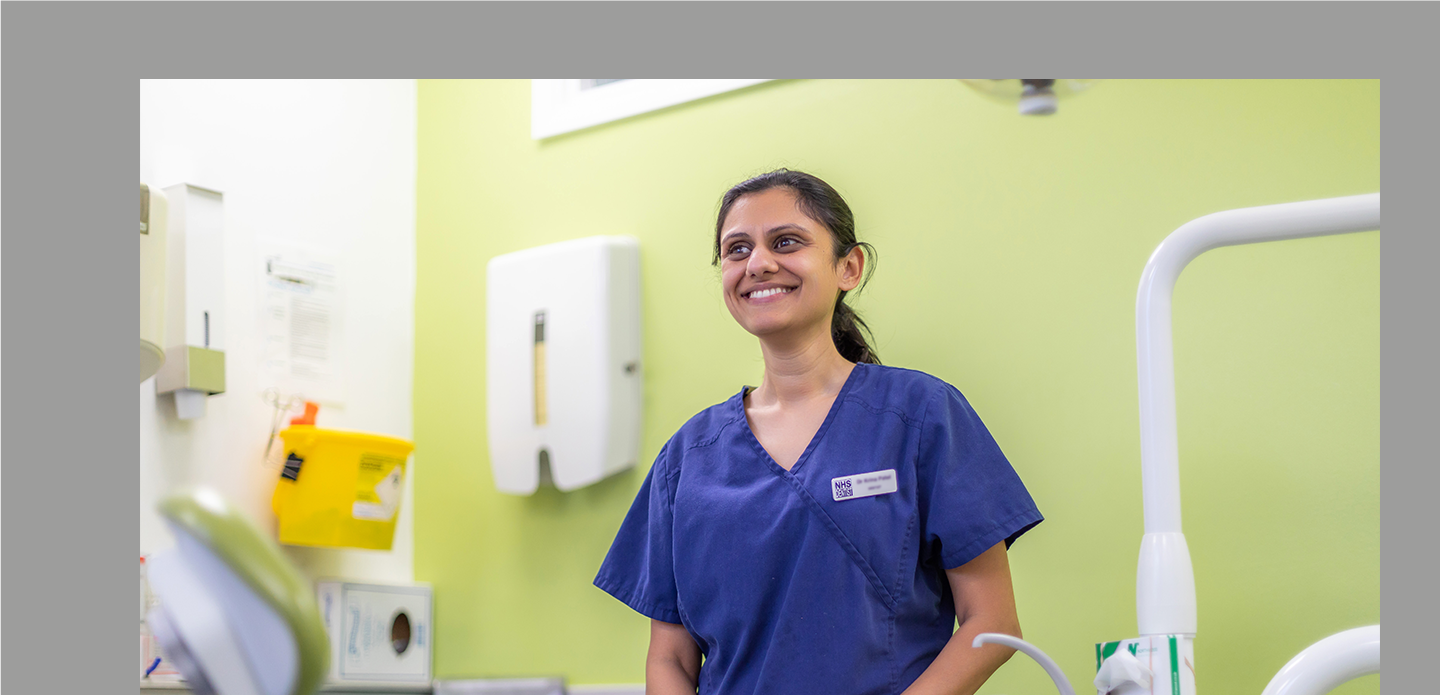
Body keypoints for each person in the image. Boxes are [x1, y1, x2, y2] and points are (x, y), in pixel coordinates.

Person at [594, 169, 1043, 695]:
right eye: (736, 250)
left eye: (785, 242)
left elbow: (991, 624)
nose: (758, 263)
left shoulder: (921, 414)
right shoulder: (687, 458)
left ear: (848, 267)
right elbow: (670, 660)